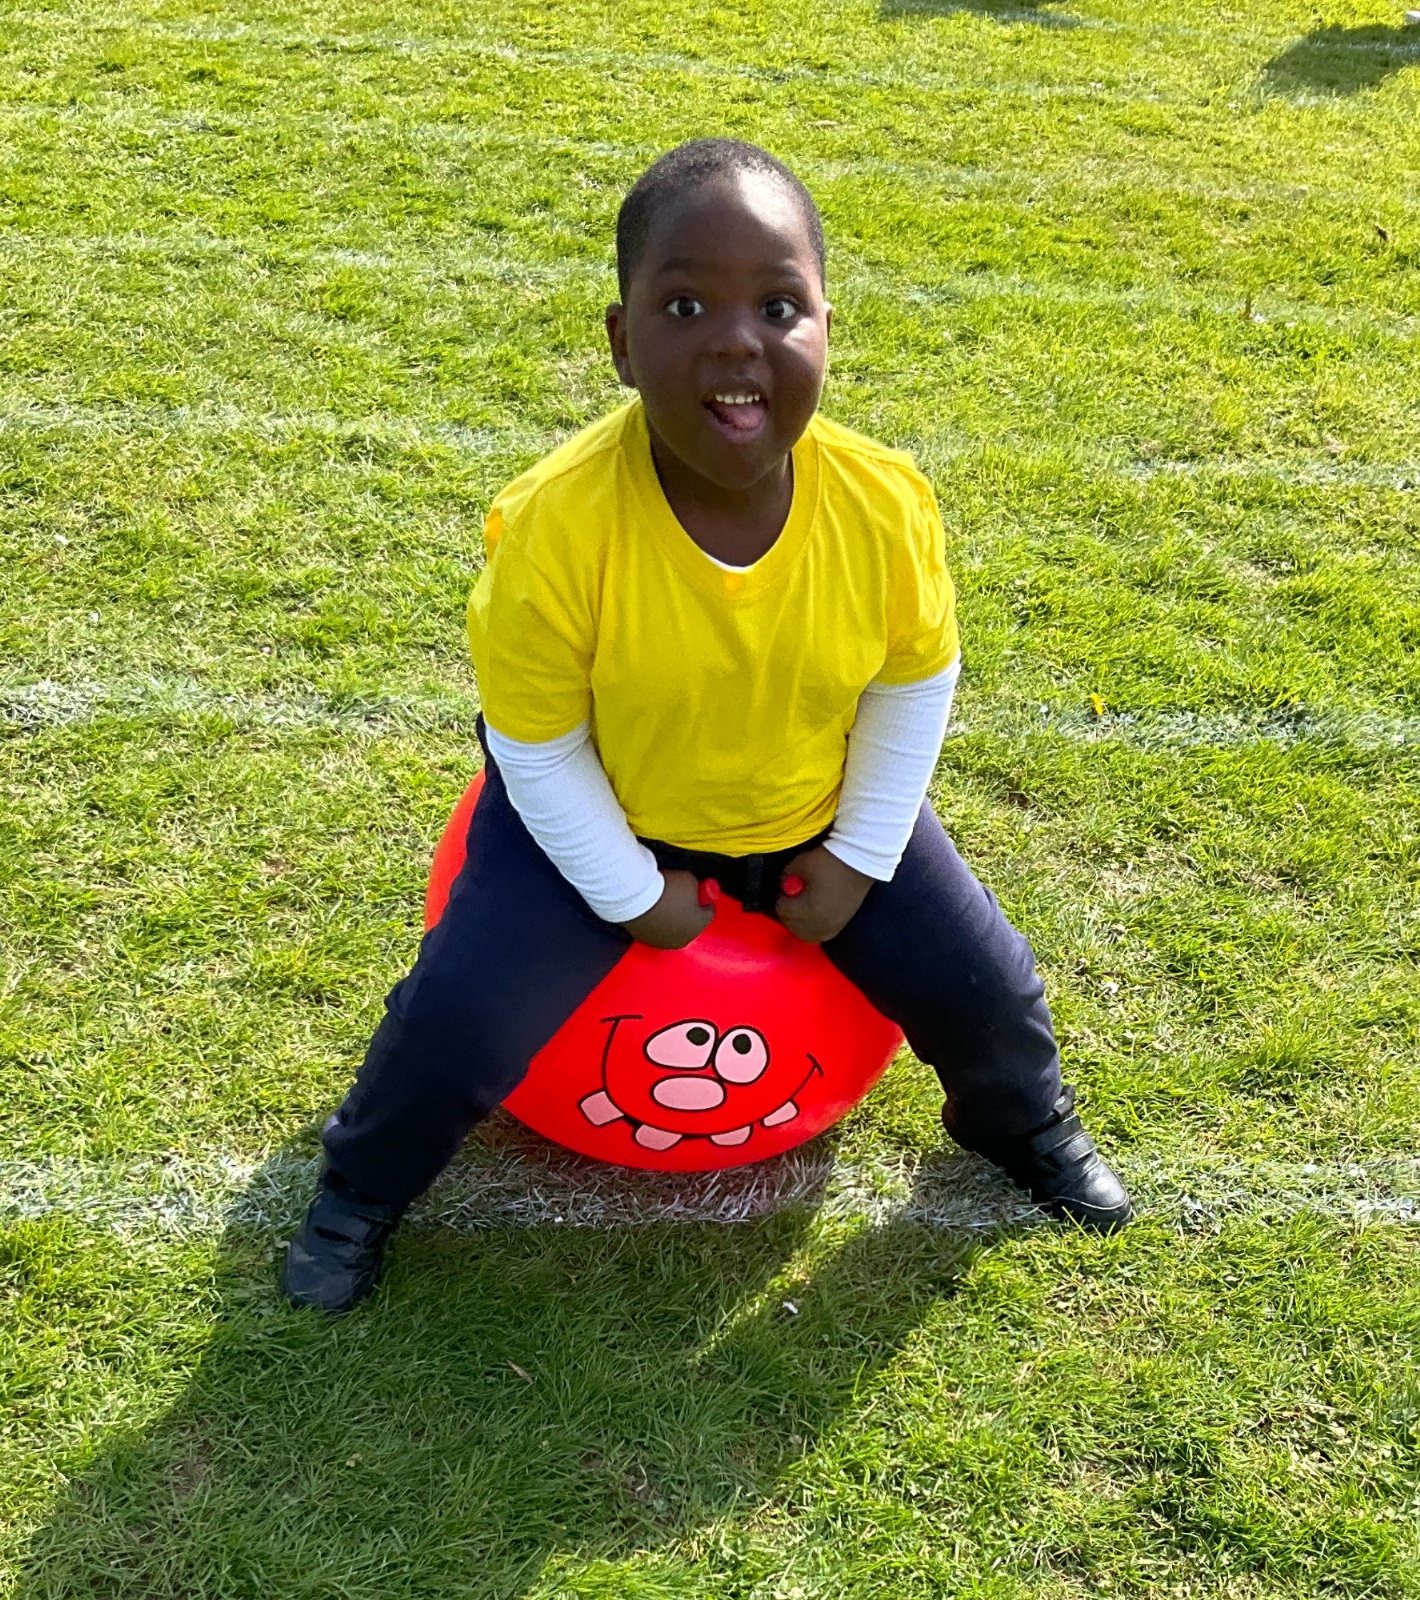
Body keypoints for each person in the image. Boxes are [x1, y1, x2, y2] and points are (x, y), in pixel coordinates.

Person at [281, 138, 1132, 1314]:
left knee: (988, 984)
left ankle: (1023, 1123)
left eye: (778, 307)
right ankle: (357, 1192)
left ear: (826, 329)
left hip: (812, 809)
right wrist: (631, 892)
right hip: (602, 813)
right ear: (622, 342)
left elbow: (912, 682)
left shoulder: (883, 505)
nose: (737, 342)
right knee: (459, 1016)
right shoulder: (556, 527)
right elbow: (534, 746)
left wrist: (858, 854)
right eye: (686, 306)